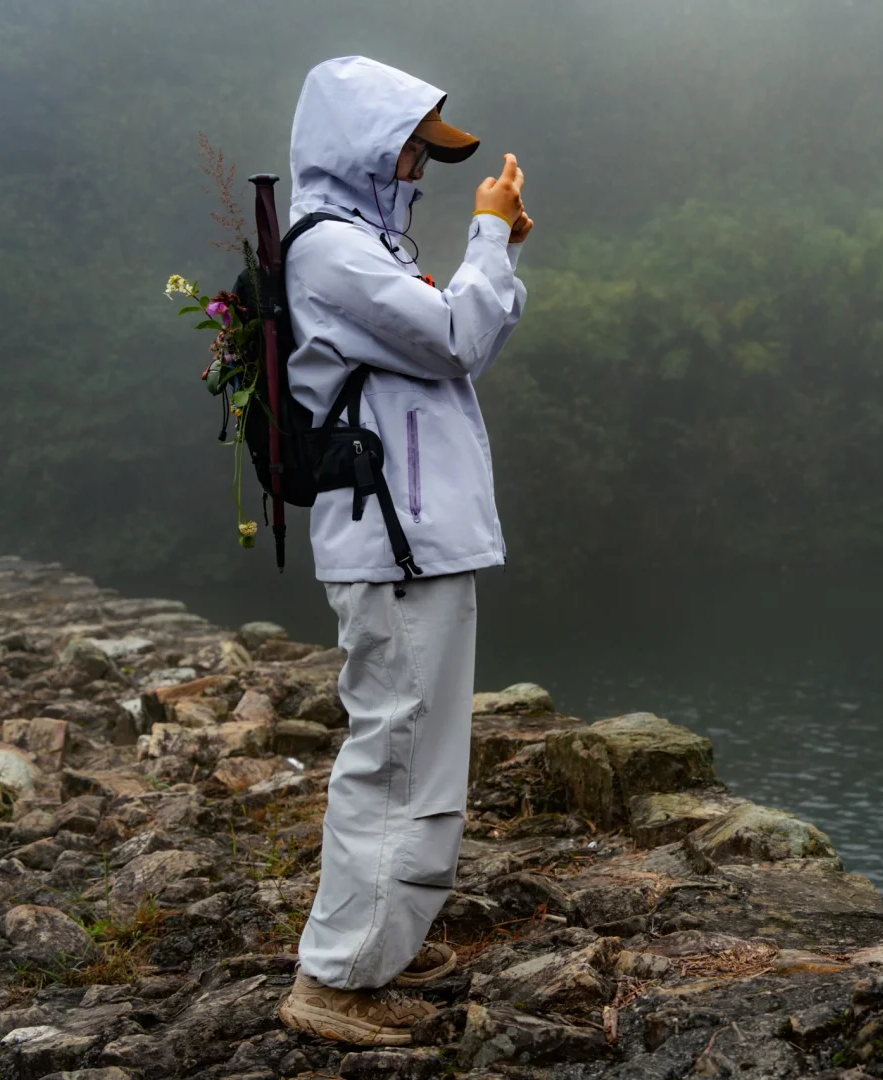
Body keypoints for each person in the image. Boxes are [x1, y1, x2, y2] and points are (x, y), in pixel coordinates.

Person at [273, 55, 531, 1046]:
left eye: (427, 152)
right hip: (395, 539)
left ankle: (367, 964)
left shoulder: (361, 250)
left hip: (412, 535)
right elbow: (460, 335)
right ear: (363, 147)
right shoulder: (332, 253)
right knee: (396, 761)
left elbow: (462, 339)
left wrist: (495, 246)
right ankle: (333, 981)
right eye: (412, 148)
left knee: (414, 762)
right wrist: (488, 233)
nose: (421, 168)